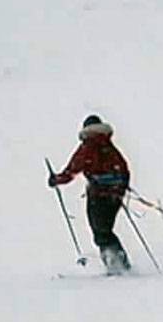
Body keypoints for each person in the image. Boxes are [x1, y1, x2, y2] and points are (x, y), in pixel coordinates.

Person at [49, 115, 132, 273]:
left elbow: (72, 170)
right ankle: (118, 261)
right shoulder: (109, 146)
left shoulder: (88, 146)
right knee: (105, 228)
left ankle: (116, 264)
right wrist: (120, 188)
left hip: (98, 194)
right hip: (115, 194)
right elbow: (124, 169)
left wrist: (56, 180)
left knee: (99, 229)